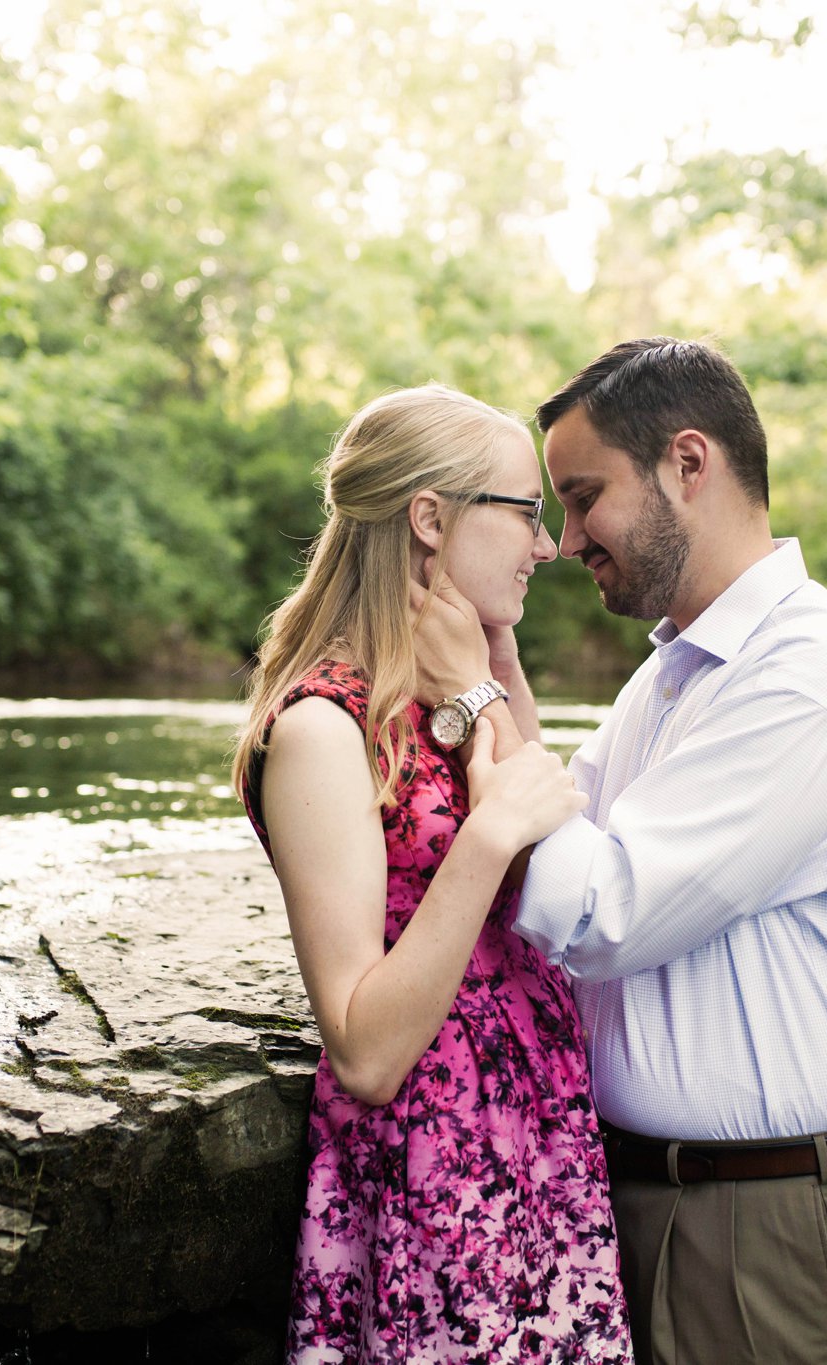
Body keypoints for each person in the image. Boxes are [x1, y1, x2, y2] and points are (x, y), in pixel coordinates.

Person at [412, 338, 827, 1365]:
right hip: (657, 1203)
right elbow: (557, 816)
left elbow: (595, 908)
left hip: (778, 1225)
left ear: (686, 465)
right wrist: (503, 668)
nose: (562, 542)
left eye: (581, 496)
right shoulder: (675, 676)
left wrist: (470, 695)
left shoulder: (808, 673)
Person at [232, 383, 634, 1365]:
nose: (549, 546)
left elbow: (546, 817)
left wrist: (487, 667)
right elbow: (365, 1051)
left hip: (539, 1166)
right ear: (428, 519)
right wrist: (485, 836)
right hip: (436, 1185)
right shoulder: (325, 730)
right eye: (527, 513)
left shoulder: (444, 692)